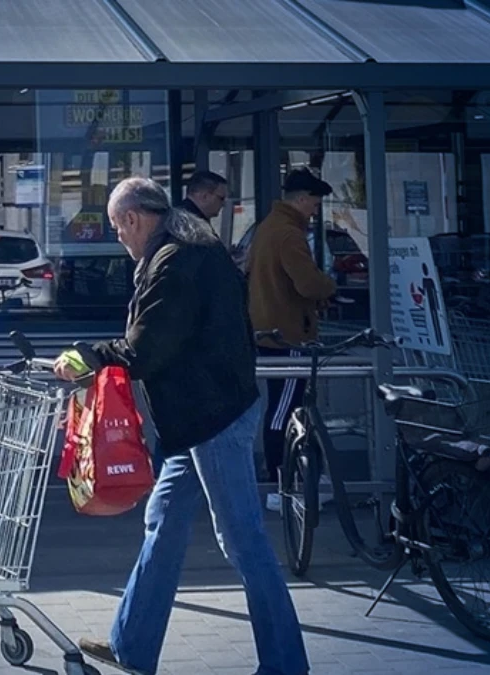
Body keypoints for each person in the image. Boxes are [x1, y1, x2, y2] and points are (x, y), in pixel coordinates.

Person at [54, 177, 309, 675]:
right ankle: (132, 646)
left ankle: (285, 665)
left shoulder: (175, 263)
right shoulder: (186, 247)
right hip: (197, 419)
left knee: (243, 540)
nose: (119, 239)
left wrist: (87, 356)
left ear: (132, 218)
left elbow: (146, 348)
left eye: (116, 228)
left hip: (212, 418)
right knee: (163, 527)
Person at [247, 169, 339, 513]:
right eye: (314, 203)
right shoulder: (289, 234)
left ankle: (294, 477)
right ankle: (279, 482)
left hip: (271, 330)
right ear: (301, 199)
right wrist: (330, 286)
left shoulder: (269, 227)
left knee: (285, 408)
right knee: (285, 411)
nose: (315, 210)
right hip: (287, 335)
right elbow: (309, 284)